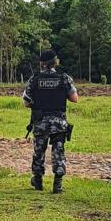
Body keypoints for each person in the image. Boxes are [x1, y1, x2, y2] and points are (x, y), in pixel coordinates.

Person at [22, 50, 78, 194]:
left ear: (42, 63)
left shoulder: (34, 79)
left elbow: (26, 102)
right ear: (55, 62)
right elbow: (74, 98)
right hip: (59, 122)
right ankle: (57, 183)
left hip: (40, 121)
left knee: (39, 150)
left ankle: (38, 180)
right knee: (58, 150)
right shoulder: (64, 78)